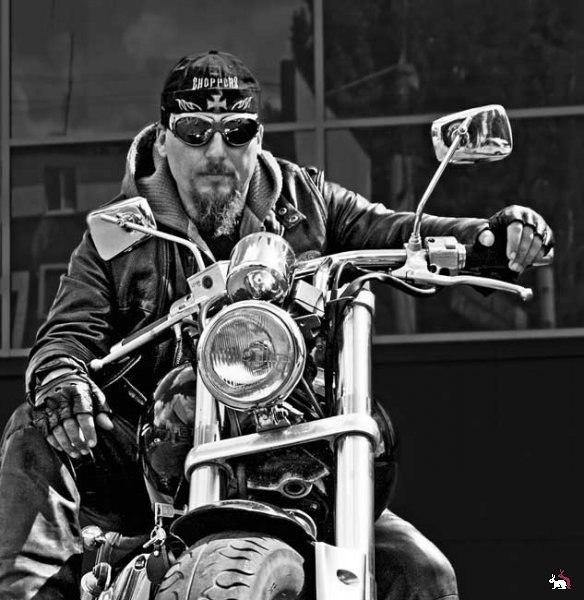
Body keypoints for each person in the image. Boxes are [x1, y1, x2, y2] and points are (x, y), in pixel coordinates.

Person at [0, 50, 553, 600]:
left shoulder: (310, 202)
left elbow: (398, 231)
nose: (217, 151)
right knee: (35, 427)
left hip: (293, 444)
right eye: (195, 131)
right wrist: (61, 379)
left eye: (236, 131)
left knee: (422, 573)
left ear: (258, 138)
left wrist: (490, 239)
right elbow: (67, 332)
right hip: (157, 458)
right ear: (164, 140)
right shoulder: (120, 232)